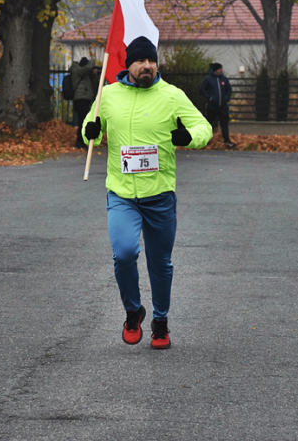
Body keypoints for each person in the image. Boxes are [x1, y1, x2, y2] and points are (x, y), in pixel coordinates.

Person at [82, 36, 212, 349]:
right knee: (124, 253)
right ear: (128, 65)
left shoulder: (172, 95)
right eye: (140, 61)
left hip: (160, 195)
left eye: (151, 61)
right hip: (122, 194)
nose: (147, 66)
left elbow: (204, 128)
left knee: (160, 262)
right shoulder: (108, 95)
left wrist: (188, 136)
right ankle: (132, 311)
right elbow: (92, 126)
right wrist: (90, 130)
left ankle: (161, 321)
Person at [199, 62, 235, 146]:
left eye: (221, 69)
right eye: (219, 69)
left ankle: (226, 140)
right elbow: (202, 90)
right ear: (215, 70)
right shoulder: (208, 79)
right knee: (209, 122)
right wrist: (210, 98)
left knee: (224, 122)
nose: (221, 70)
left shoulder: (224, 79)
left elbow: (228, 89)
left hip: (222, 105)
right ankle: (206, 140)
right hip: (212, 105)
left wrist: (226, 98)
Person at [70, 57, 96, 149]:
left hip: (85, 99)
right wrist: (93, 61)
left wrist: (93, 75)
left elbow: (94, 84)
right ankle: (80, 142)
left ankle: (81, 141)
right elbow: (87, 68)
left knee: (83, 121)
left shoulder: (85, 75)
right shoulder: (77, 69)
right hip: (80, 99)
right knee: (82, 121)